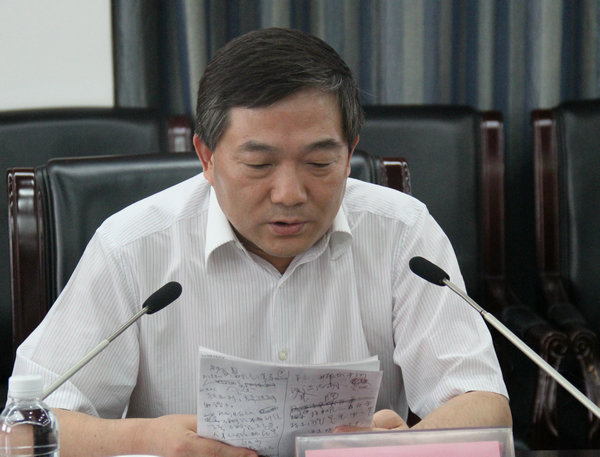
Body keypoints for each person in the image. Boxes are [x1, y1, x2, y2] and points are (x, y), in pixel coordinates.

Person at [12, 28, 511, 457]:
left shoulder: (403, 233)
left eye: (319, 163)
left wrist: (404, 447)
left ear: (349, 153)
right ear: (207, 158)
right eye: (259, 164)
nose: (289, 193)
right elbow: (25, 427)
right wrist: (147, 438)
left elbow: (482, 403)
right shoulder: (133, 247)